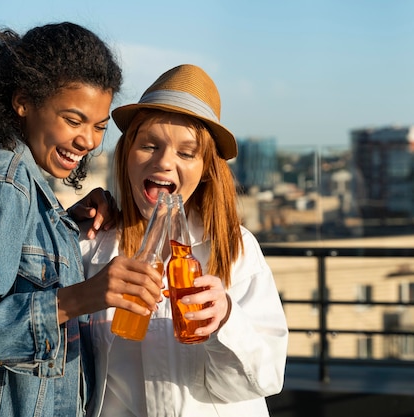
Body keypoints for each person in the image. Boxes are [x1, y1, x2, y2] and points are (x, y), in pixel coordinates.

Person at [0, 22, 164, 417]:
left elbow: (12, 275)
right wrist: (84, 296)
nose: (89, 141)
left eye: (98, 126)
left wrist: (62, 223)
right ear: (23, 101)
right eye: (74, 120)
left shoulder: (21, 184)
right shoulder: (0, 182)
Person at [79, 64, 289, 416]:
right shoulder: (92, 244)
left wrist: (226, 320)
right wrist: (65, 222)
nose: (164, 162)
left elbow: (266, 379)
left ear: (206, 168)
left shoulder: (238, 250)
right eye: (149, 145)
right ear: (127, 154)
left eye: (186, 152)